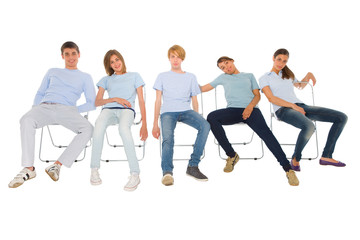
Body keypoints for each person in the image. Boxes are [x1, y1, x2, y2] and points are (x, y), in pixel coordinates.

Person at [9, 41, 96, 188]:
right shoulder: (52, 71)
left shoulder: (85, 77)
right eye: (67, 54)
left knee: (89, 129)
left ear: (79, 55)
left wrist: (74, 110)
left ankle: (57, 165)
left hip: (67, 109)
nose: (70, 57)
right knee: (26, 119)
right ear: (62, 56)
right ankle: (28, 169)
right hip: (45, 107)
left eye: (73, 53)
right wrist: (35, 109)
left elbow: (92, 103)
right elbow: (41, 92)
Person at [201, 56, 299, 186]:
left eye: (227, 63)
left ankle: (288, 169)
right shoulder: (222, 78)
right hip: (233, 111)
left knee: (267, 136)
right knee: (212, 117)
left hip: (252, 110)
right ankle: (231, 155)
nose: (226, 67)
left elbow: (257, 95)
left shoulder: (249, 76)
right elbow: (202, 88)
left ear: (232, 61)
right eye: (223, 67)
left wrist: (249, 107)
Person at [259, 48, 348, 171]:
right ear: (273, 58)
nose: (281, 63)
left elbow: (300, 86)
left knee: (341, 117)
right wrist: (292, 106)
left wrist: (309, 75)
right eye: (279, 59)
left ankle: (326, 156)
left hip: (300, 106)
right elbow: (271, 98)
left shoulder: (288, 74)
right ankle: (296, 159)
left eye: (284, 61)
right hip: (283, 110)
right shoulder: (265, 77)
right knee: (309, 126)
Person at [152, 45, 210, 186]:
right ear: (169, 58)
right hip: (167, 112)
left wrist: (198, 118)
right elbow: (158, 100)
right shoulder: (162, 76)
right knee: (168, 139)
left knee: (206, 125)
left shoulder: (191, 77)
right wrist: (155, 123)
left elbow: (195, 100)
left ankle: (193, 166)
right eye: (173, 56)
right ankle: (167, 172)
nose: (175, 59)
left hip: (186, 111)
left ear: (182, 58)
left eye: (178, 56)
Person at [90, 49, 147, 191]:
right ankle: (94, 169)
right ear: (109, 65)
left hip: (127, 110)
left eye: (117, 59)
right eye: (112, 62)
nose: (116, 63)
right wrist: (115, 99)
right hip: (108, 110)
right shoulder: (106, 80)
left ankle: (135, 173)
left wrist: (144, 124)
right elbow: (97, 102)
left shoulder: (135, 76)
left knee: (123, 129)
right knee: (98, 125)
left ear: (121, 59)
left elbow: (141, 100)